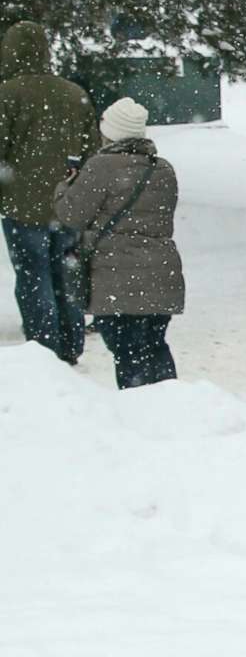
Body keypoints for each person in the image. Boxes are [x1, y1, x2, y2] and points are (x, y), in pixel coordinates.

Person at [53, 97, 183, 389]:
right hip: (161, 273)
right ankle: (172, 408)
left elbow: (71, 214)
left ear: (111, 131)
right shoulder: (163, 168)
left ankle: (139, 417)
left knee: (128, 354)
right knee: (155, 345)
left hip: (117, 277)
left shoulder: (101, 166)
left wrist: (66, 185)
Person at [0, 20, 95, 365]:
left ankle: (44, 350)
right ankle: (71, 343)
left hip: (22, 206)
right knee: (65, 272)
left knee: (33, 275)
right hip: (68, 205)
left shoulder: (7, 94)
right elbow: (91, 151)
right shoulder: (74, 93)